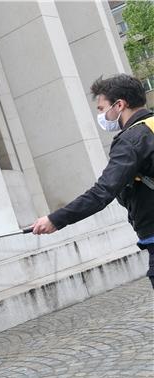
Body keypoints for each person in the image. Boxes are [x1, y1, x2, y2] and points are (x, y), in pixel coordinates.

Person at [31, 74, 154, 289]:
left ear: (119, 105)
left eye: (101, 108)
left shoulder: (131, 140)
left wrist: (56, 219)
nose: (100, 115)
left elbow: (102, 192)